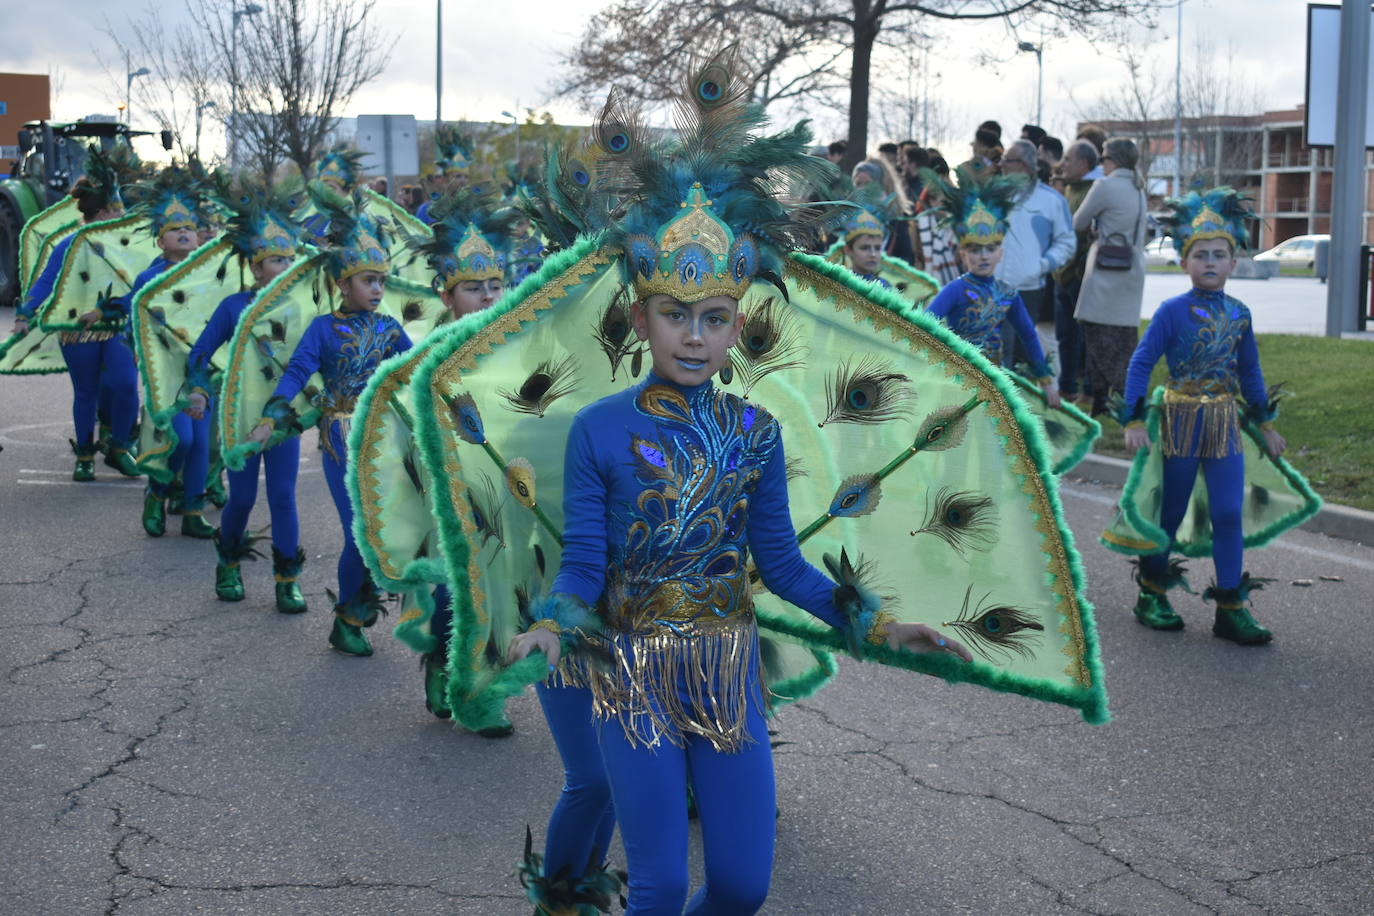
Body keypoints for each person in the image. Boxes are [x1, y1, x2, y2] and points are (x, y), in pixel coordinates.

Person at [505, 56, 974, 915]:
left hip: (726, 668)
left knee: (742, 888)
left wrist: (879, 625)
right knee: (654, 885)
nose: (694, 335)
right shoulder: (598, 429)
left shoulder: (757, 432)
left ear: (738, 324)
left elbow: (785, 568)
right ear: (640, 316)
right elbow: (580, 562)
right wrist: (548, 627)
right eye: (675, 316)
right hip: (632, 671)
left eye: (714, 318)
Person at [1113, 187, 1298, 645]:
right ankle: (1152, 593)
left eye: (1219, 255)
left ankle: (1231, 609)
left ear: (1234, 263)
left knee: (1229, 512)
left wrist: (1265, 425)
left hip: (1223, 424)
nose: (1210, 262)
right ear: (1183, 262)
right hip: (1179, 422)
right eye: (1201, 255)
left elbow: (1250, 372)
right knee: (1171, 513)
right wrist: (1133, 420)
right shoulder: (1171, 312)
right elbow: (1140, 363)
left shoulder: (1240, 314)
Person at [247, 190, 412, 656]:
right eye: (367, 280)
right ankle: (348, 620)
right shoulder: (321, 329)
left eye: (382, 280)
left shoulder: (390, 328)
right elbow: (297, 373)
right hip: (341, 437)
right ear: (343, 282)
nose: (377, 289)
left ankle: (358, 615)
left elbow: (417, 371)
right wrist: (271, 416)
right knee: (360, 530)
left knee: (382, 531)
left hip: (386, 437)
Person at [188, 174, 308, 611]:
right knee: (242, 497)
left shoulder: (301, 308)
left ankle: (286, 579)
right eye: (277, 261)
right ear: (256, 268)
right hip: (239, 416)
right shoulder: (233, 307)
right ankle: (229, 563)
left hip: (282, 418)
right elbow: (200, 353)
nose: (287, 270)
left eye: (292, 261)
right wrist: (198, 393)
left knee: (282, 496)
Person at [13, 147, 142, 481]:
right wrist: (25, 314)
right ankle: (84, 454)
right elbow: (45, 282)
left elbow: (143, 281)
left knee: (126, 385)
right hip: (76, 327)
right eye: (114, 210)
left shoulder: (126, 243)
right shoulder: (69, 243)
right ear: (99, 213)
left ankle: (119, 447)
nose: (120, 215)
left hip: (116, 325)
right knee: (85, 391)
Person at [126, 163, 216, 539]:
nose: (182, 233)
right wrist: (137, 350)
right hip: (164, 368)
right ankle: (158, 491)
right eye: (173, 229)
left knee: (201, 444)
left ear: (199, 237)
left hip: (203, 367)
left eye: (189, 228)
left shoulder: (212, 274)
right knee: (183, 438)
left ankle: (193, 511)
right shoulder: (149, 279)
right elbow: (135, 321)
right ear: (160, 242)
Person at [921, 165, 1060, 407]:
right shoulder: (955, 290)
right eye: (975, 250)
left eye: (990, 249)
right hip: (958, 380)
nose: (983, 256)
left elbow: (1028, 335)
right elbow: (923, 325)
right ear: (962, 254)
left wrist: (1046, 381)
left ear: (1000, 253)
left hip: (996, 381)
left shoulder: (1008, 293)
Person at [1073, 136, 1148, 416]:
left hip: (1106, 271)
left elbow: (1078, 222)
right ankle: (1127, 398)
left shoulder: (1104, 186)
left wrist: (1097, 229)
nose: (1101, 164)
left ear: (1112, 160)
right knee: (1124, 339)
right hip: (1132, 271)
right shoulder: (1138, 188)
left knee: (1097, 335)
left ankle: (1101, 399)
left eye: (1103, 158)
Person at [995, 139, 1075, 370]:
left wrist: (1042, 264)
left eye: (1006, 160)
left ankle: (1020, 402)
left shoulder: (1051, 201)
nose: (1001, 165)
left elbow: (1067, 241)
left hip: (1029, 289)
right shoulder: (995, 196)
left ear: (1022, 165)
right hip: (993, 286)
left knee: (1022, 353)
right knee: (998, 352)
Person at [1053, 139, 1098, 406]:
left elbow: (1081, 233)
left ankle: (1089, 390)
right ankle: (1067, 388)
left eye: (1068, 159)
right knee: (1065, 337)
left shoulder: (1094, 190)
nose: (1063, 164)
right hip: (1062, 274)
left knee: (1084, 338)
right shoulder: (1069, 191)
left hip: (1079, 276)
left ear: (1083, 163)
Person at [851, 157, 915, 264]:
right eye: (858, 184)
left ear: (880, 185)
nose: (862, 189)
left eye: (867, 184)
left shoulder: (896, 217)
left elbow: (906, 256)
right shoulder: (845, 216)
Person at [416, 125, 473, 225]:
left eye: (466, 177)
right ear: (444, 179)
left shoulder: (473, 208)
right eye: (457, 176)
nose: (463, 181)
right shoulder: (427, 209)